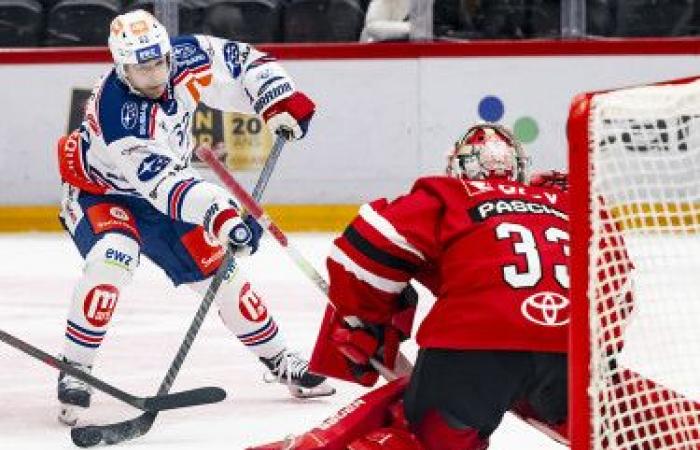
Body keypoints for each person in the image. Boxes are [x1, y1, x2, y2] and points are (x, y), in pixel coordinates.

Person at [56, 9, 334, 426]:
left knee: (222, 274)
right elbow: (166, 186)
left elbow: (244, 63)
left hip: (168, 194)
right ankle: (76, 367)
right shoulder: (119, 114)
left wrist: (276, 99)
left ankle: (280, 361)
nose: (155, 75)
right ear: (121, 67)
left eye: (159, 62)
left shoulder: (186, 55)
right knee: (113, 259)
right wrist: (222, 216)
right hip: (102, 193)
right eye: (142, 68)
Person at [248, 123, 571, 449]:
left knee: (421, 436)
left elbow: (364, 249)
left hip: (473, 349)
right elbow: (616, 286)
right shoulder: (567, 203)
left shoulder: (453, 195)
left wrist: (363, 323)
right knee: (615, 424)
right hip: (573, 349)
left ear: (459, 167)